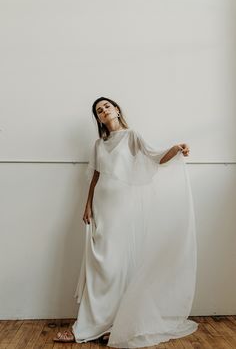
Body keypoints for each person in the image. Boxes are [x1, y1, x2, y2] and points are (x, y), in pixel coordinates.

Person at [53, 97, 198, 346]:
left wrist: (175, 149)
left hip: (123, 210)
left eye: (107, 106)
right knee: (100, 266)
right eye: (99, 111)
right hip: (101, 208)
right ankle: (93, 323)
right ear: (98, 119)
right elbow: (95, 177)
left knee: (118, 266)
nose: (103, 111)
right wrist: (87, 204)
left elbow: (155, 156)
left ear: (117, 110)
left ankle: (117, 325)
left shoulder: (132, 136)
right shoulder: (99, 144)